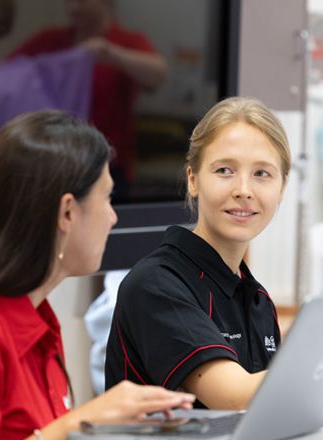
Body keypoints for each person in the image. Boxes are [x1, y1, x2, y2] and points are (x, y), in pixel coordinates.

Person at [0, 110, 195, 440]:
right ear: (68, 212)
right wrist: (80, 422)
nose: (113, 217)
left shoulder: (39, 320)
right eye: (106, 198)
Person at [105, 96, 291, 411]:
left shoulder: (258, 299)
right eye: (224, 170)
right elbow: (233, 396)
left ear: (282, 188)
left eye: (262, 174)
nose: (243, 189)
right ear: (193, 180)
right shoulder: (156, 284)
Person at [7, 0, 167, 201]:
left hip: (107, 167)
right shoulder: (51, 40)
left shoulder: (127, 41)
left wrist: (107, 53)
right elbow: (6, 75)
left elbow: (158, 75)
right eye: (68, 1)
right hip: (51, 166)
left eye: (81, 1)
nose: (72, 8)